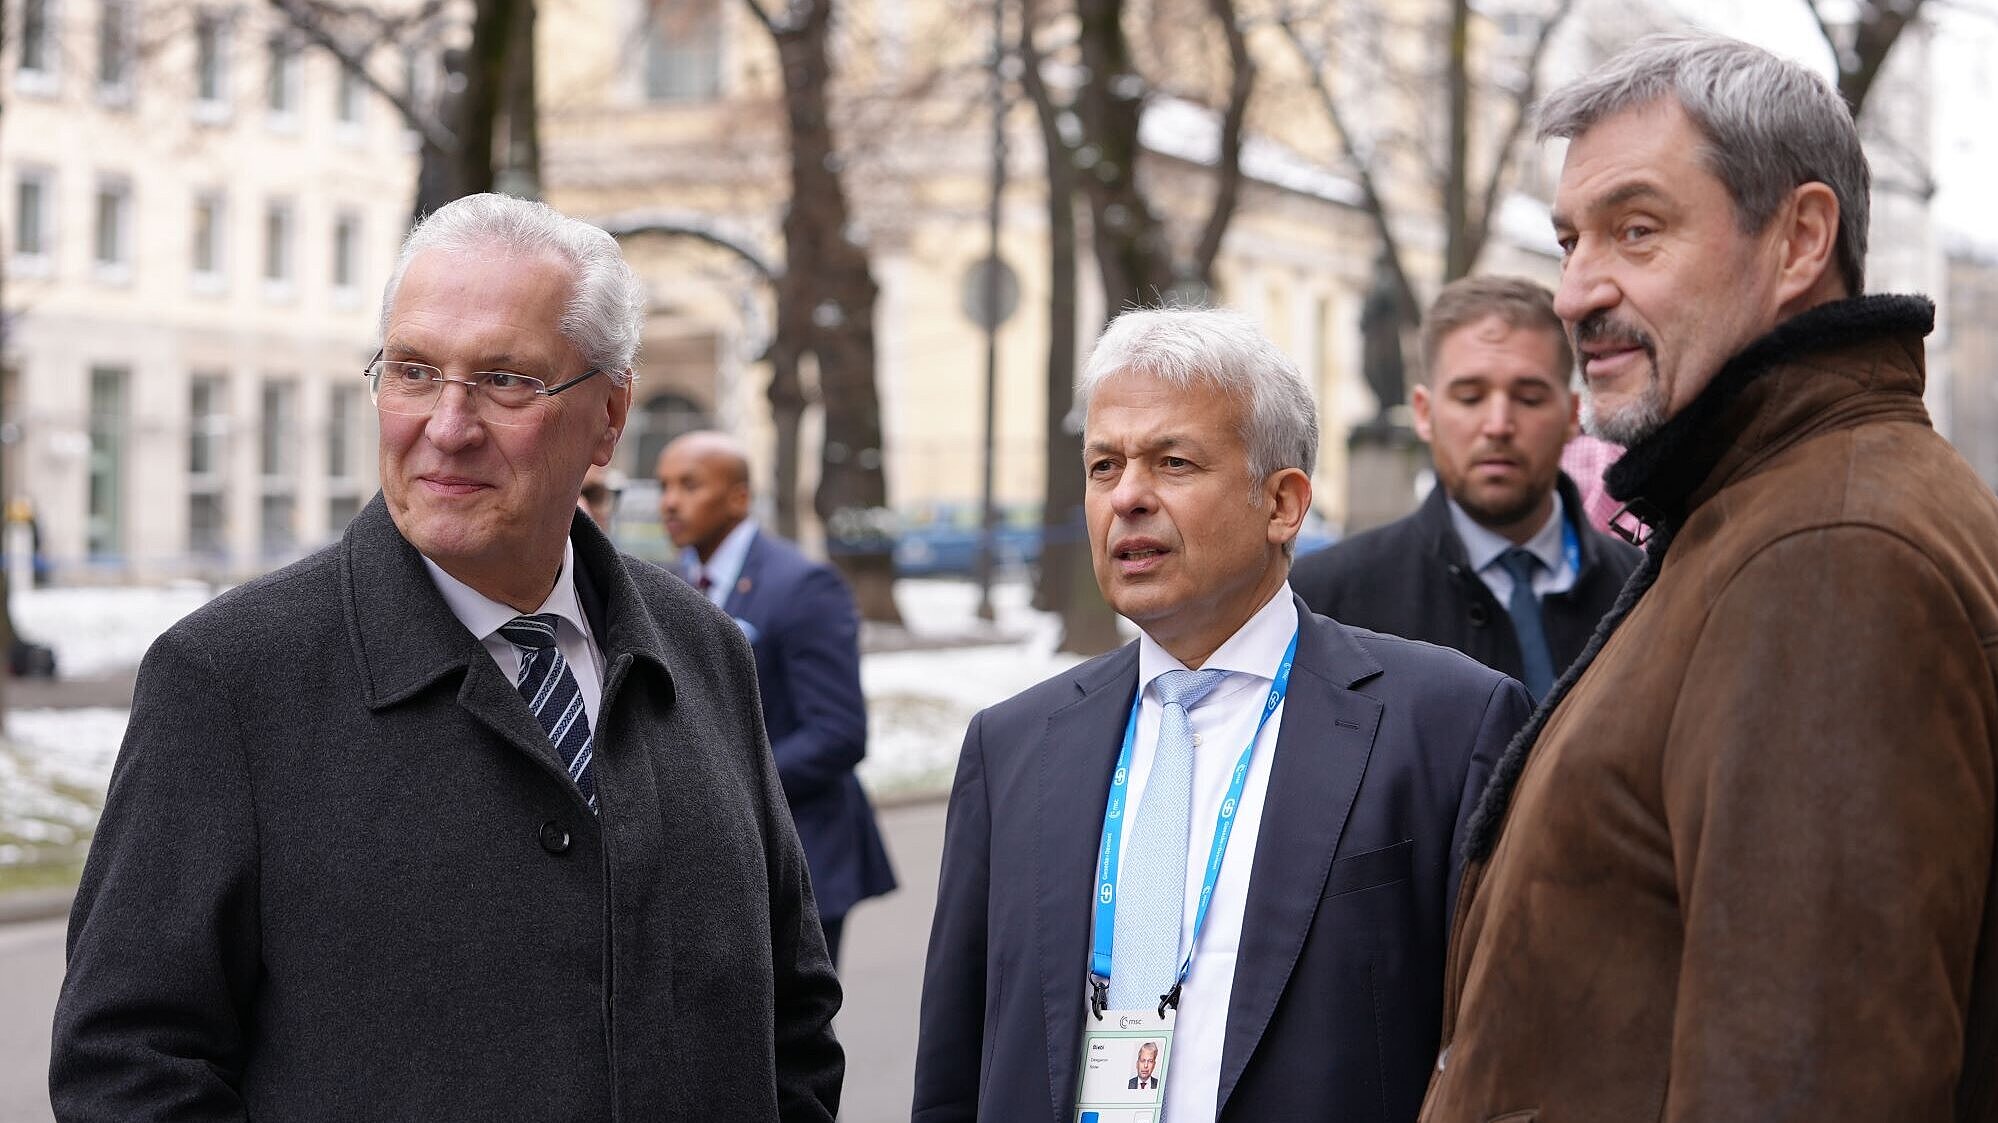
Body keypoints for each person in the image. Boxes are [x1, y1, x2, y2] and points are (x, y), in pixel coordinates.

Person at [50, 194, 843, 1120]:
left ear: (610, 414)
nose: (448, 424)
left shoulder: (701, 648)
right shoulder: (230, 679)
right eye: (415, 371)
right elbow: (126, 1068)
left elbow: (790, 1016)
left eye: (506, 380)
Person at [1421, 33, 1998, 1122]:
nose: (1575, 292)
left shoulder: (1827, 552)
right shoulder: (1764, 507)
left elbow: (1806, 1081)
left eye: (1636, 230)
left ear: (1800, 239)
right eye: (1569, 240)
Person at [914, 308, 1531, 1123]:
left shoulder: (1448, 724)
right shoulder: (1012, 747)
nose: (1127, 496)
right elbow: (954, 1073)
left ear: (1282, 502)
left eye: (1173, 462)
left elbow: (1512, 1057)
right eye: (1104, 465)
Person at [1292, 276, 1639, 699]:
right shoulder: (1321, 604)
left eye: (1529, 398)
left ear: (1571, 416)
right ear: (1424, 413)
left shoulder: (1646, 592)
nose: (1498, 425)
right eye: (1470, 397)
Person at [656, 430, 896, 965]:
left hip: (798, 854)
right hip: (711, 863)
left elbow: (838, 733)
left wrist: (719, 789)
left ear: (739, 497)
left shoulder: (802, 585)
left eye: (690, 485)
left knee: (787, 1019)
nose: (669, 502)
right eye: (664, 486)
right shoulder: (669, 583)